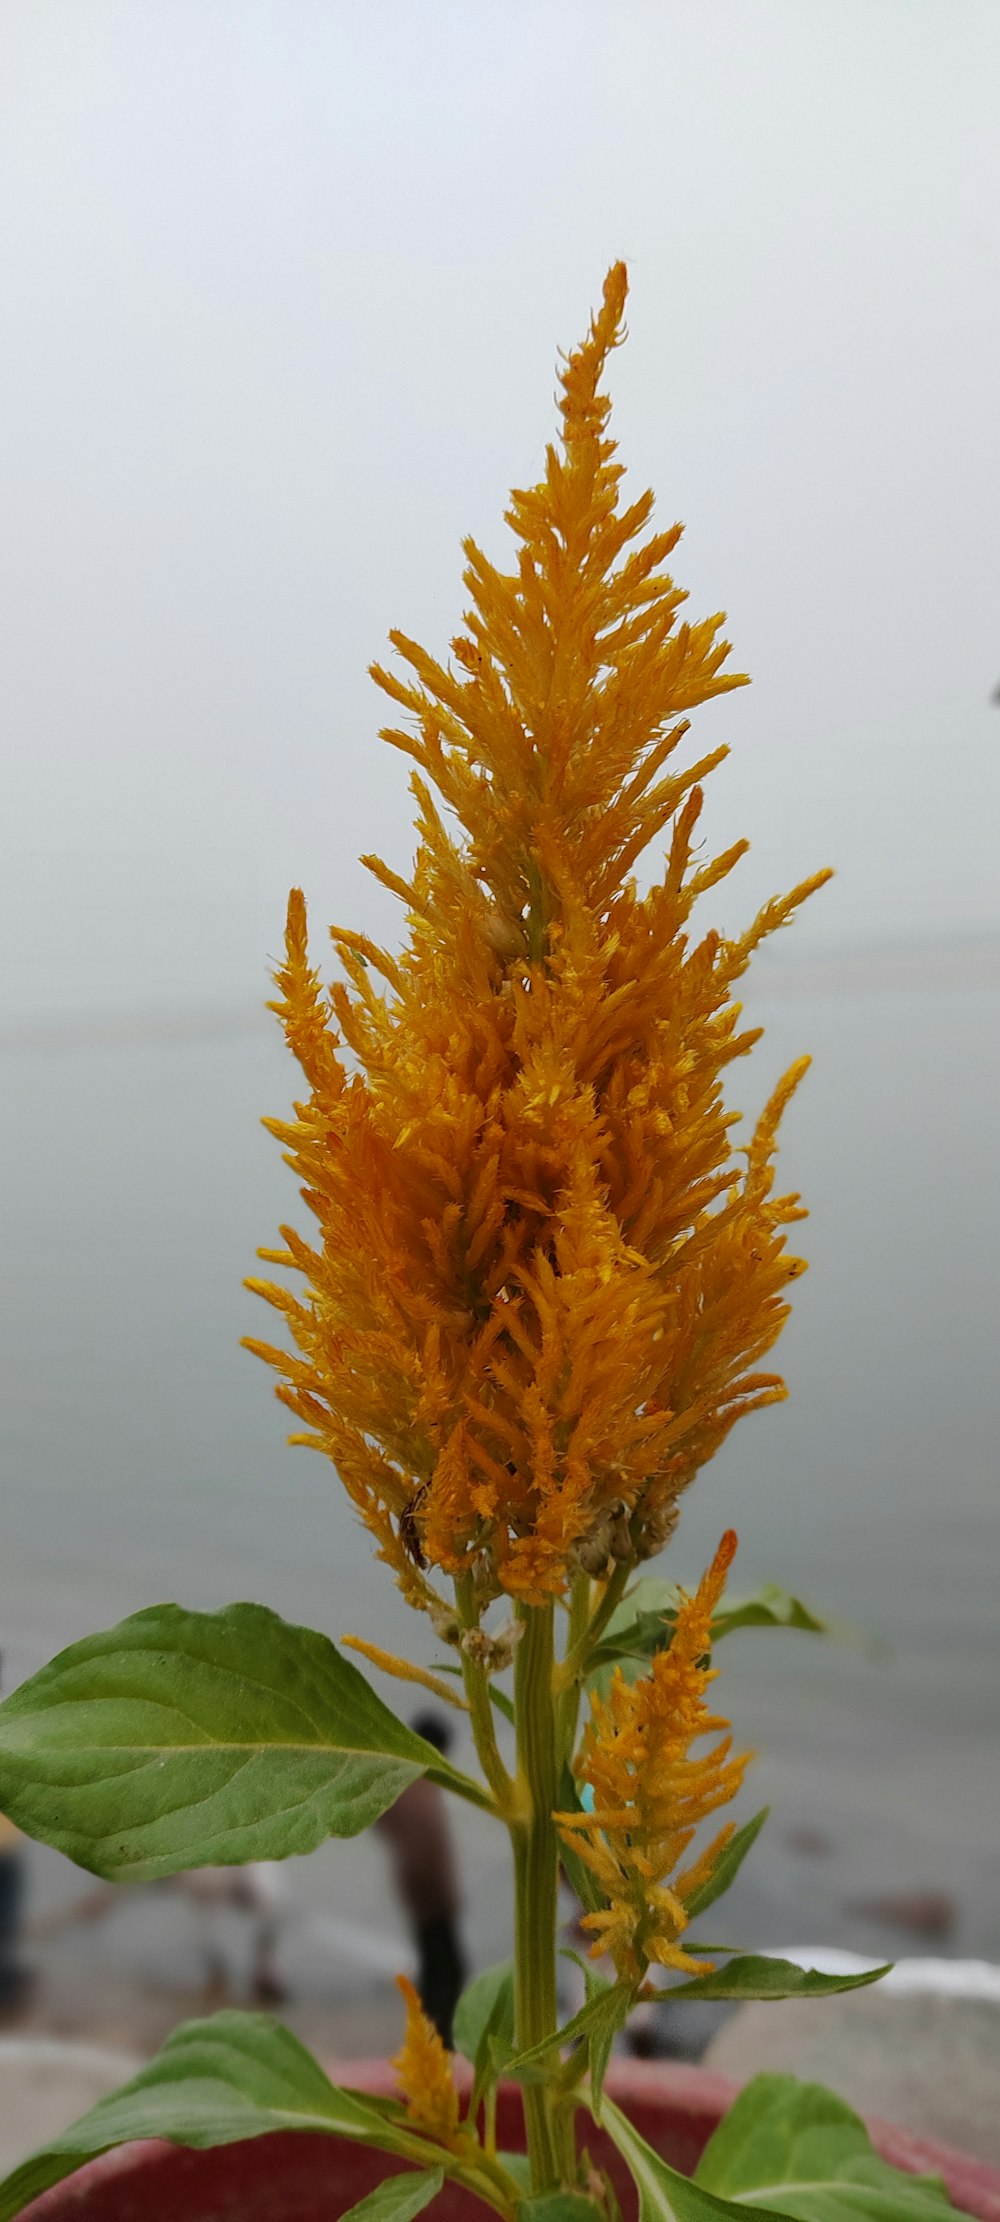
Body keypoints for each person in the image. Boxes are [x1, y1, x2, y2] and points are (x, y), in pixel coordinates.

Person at [375, 1711, 466, 2046]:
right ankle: (436, 2040)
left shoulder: (411, 1782)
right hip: (427, 1889)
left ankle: (434, 2037)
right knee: (447, 1968)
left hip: (424, 1887)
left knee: (440, 1965)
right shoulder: (418, 1783)